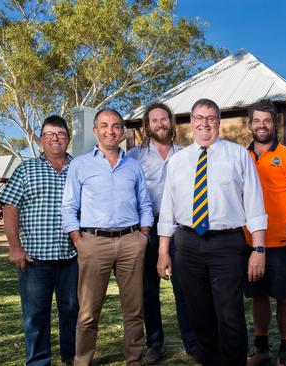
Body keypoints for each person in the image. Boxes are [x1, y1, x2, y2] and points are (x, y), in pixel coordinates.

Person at [156, 98, 268, 366]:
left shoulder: (239, 155)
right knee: (200, 315)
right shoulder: (177, 161)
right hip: (187, 244)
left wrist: (259, 250)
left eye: (210, 118)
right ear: (191, 122)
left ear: (218, 122)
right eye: (199, 117)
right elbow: (168, 209)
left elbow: (255, 205)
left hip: (227, 244)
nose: (204, 123)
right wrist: (163, 251)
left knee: (229, 315)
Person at [61, 108, 153, 366]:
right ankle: (83, 361)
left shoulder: (134, 166)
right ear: (95, 130)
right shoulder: (80, 165)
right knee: (88, 312)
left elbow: (145, 204)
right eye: (104, 125)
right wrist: (79, 241)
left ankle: (134, 360)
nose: (110, 130)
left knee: (134, 310)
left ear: (122, 132)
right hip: (93, 243)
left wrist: (143, 236)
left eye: (115, 126)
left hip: (130, 242)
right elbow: (68, 206)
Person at [0, 115, 79, 366]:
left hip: (72, 257)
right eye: (49, 134)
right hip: (35, 259)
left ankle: (72, 358)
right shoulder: (25, 169)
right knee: (35, 315)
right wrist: (15, 248)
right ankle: (38, 362)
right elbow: (10, 207)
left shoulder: (80, 168)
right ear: (41, 139)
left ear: (68, 138)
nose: (55, 138)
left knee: (72, 312)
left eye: (61, 134)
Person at [127, 102, 196, 363]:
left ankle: (192, 342)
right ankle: (154, 342)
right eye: (154, 120)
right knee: (148, 290)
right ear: (147, 125)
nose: (160, 124)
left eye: (164, 119)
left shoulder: (185, 155)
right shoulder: (134, 156)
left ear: (171, 123)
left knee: (185, 288)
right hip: (147, 226)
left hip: (179, 229)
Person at [244, 100, 286, 366]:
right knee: (258, 295)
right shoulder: (241, 156)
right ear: (250, 124)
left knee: (284, 295)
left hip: (280, 239)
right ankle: (262, 346)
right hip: (248, 240)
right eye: (257, 120)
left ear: (274, 123)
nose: (262, 125)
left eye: (267, 120)